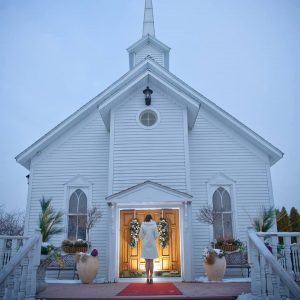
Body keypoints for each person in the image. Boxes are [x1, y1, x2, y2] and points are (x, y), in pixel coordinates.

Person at [139, 214, 159, 284]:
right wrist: (152, 238)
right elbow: (157, 235)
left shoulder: (143, 225)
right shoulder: (154, 225)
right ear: (151, 218)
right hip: (152, 244)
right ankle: (151, 277)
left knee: (147, 262)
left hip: (145, 244)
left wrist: (145, 237)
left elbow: (140, 236)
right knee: (151, 262)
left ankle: (147, 277)